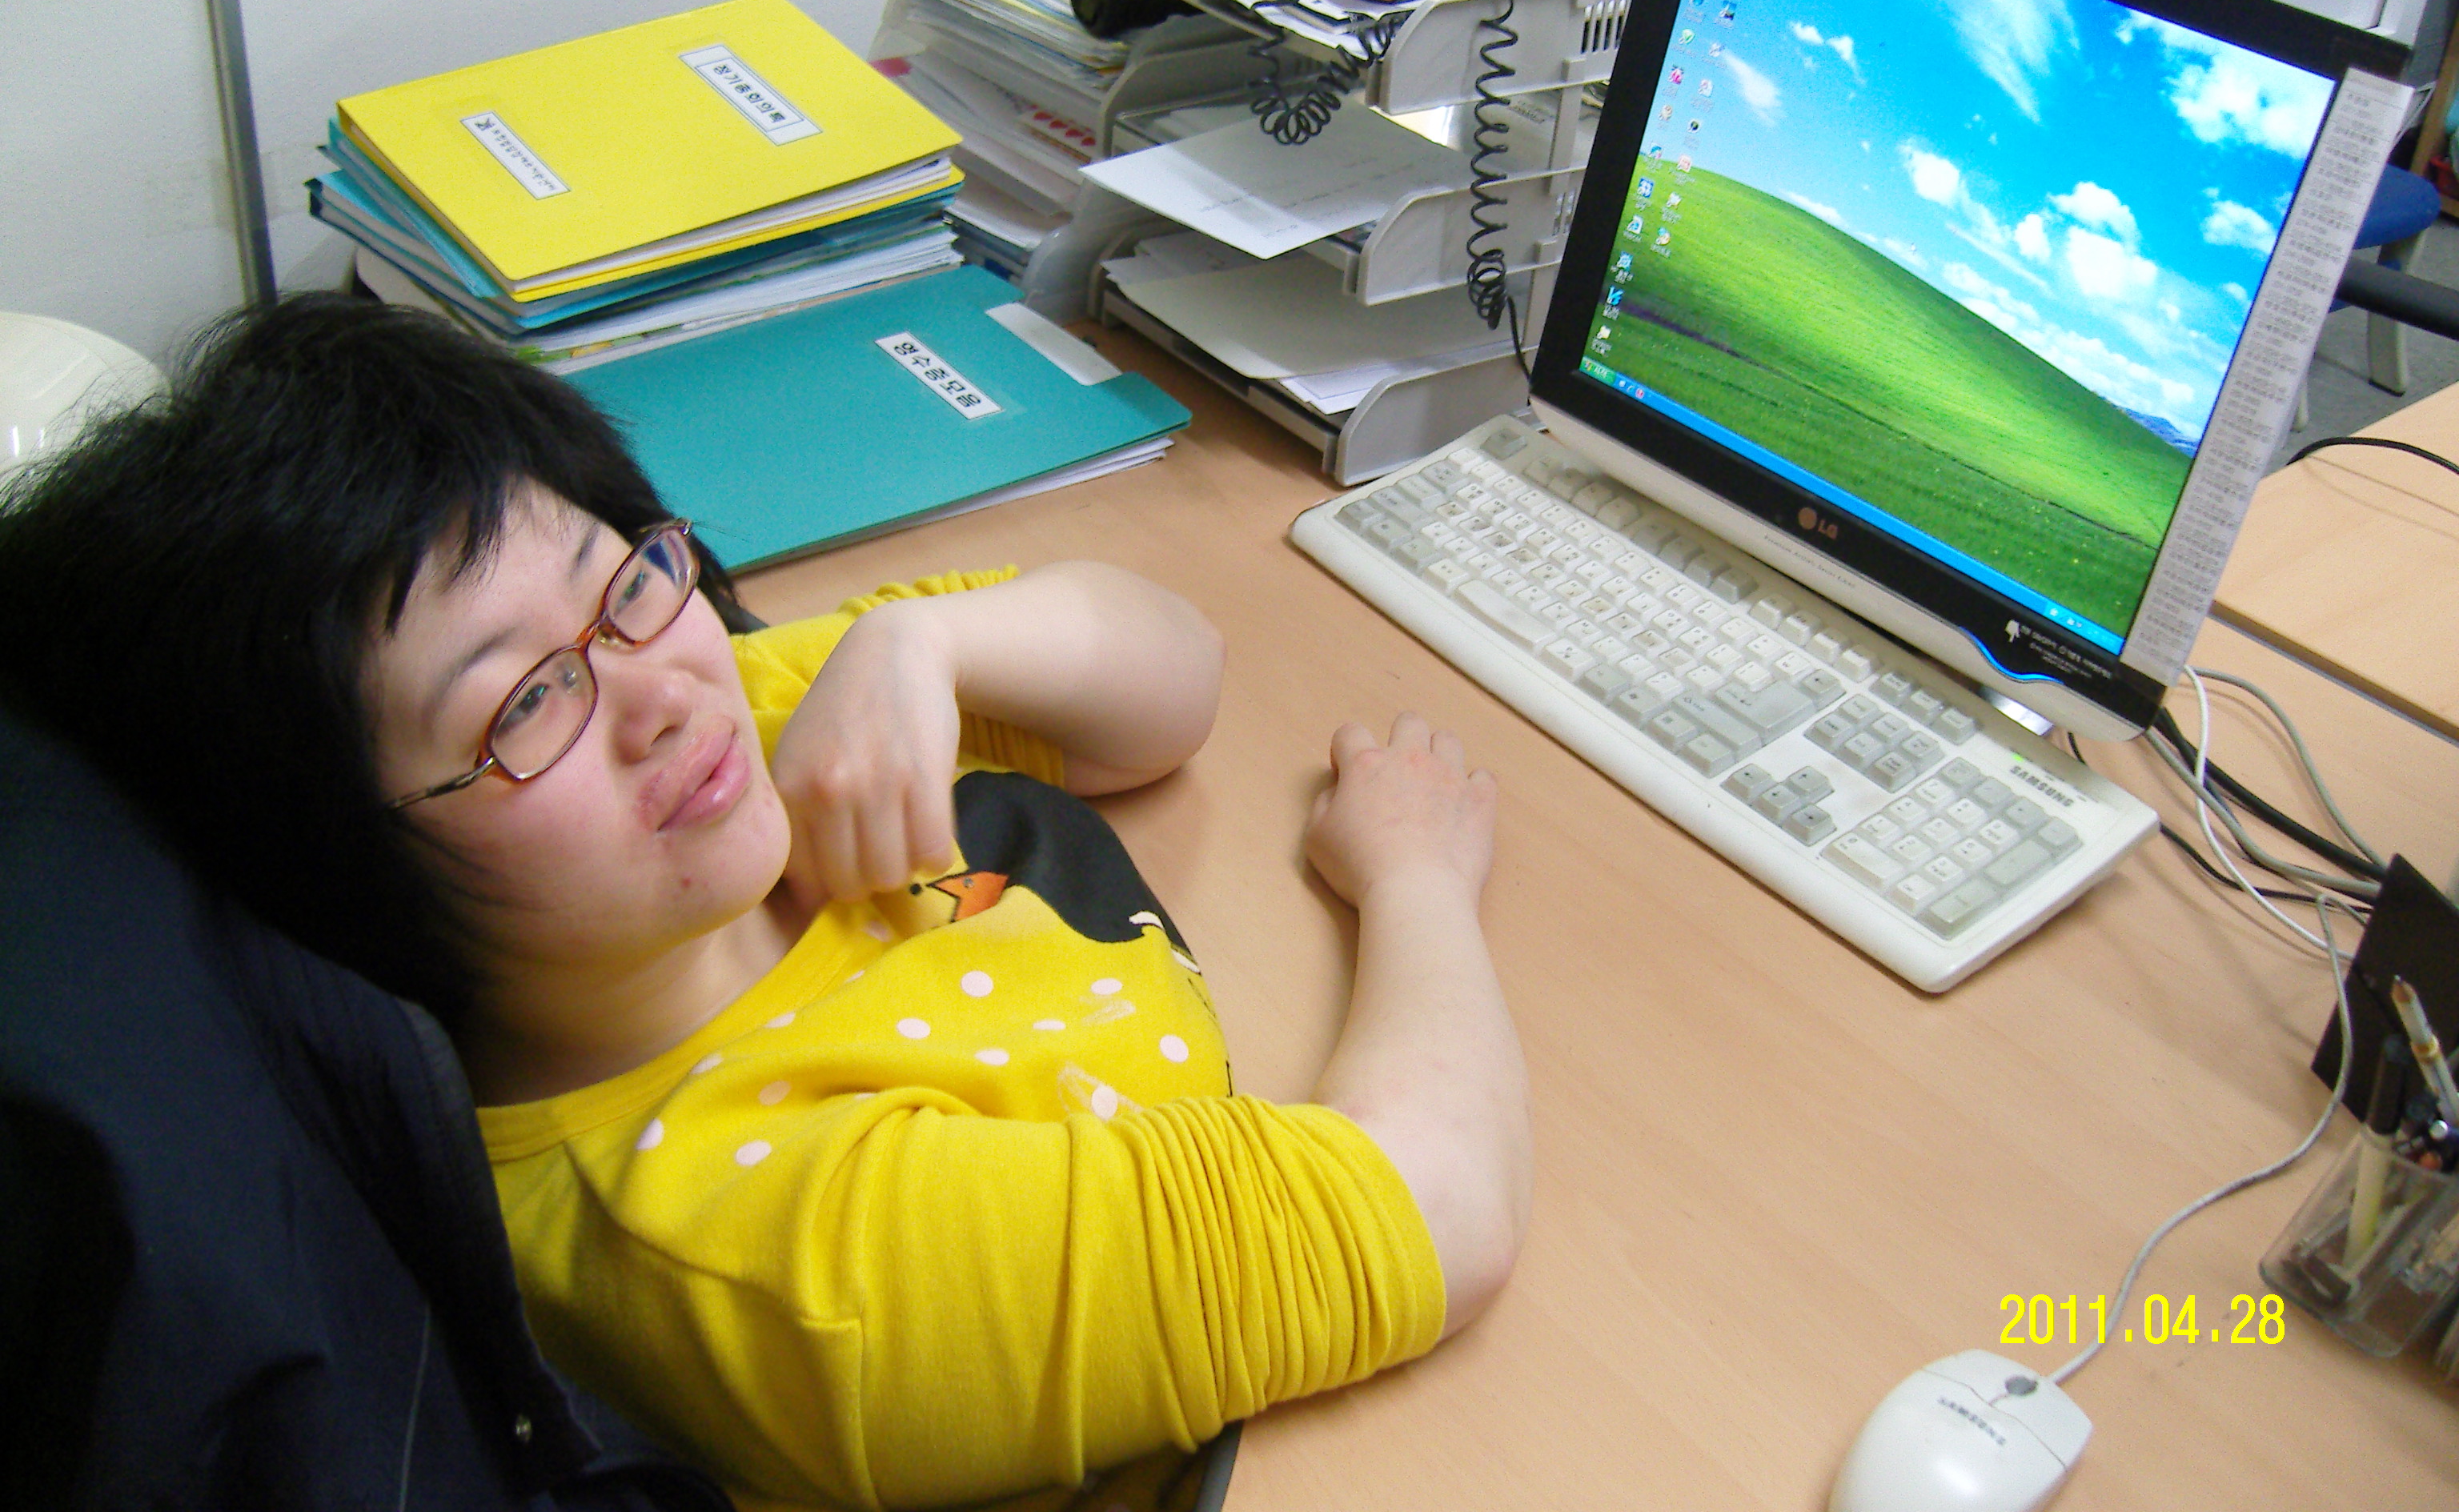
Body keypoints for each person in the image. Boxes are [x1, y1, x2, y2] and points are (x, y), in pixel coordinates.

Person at [0, 295, 1530, 1510]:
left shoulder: (703, 739)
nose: (656, 693)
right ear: (338, 862)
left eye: (622, 576)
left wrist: (926, 649)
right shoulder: (784, 1261)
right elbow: (1439, 1210)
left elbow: (1170, 678)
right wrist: (1414, 881)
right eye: (522, 703)